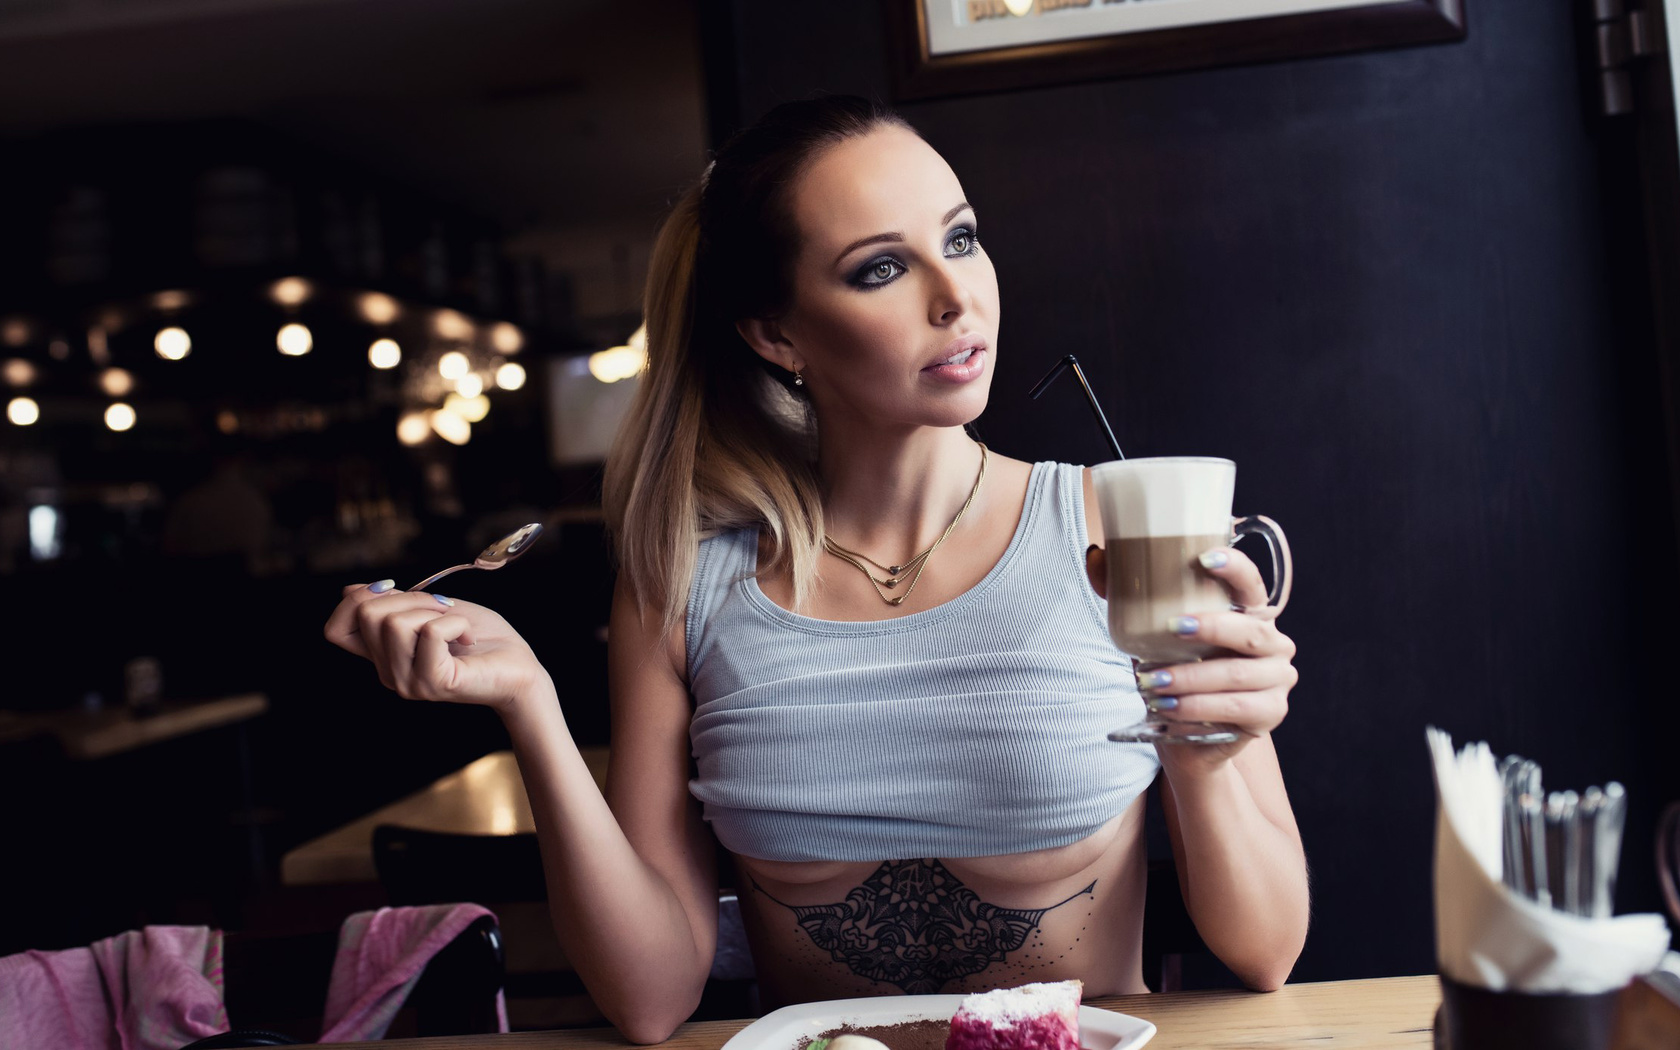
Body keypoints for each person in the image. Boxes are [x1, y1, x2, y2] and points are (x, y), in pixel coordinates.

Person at [325, 96, 1307, 1043]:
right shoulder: (685, 585)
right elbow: (651, 1002)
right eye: (881, 268)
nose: (955, 295)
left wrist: (1205, 741)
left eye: (961, 238)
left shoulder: (1118, 526)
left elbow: (1266, 955)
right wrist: (530, 704)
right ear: (775, 332)